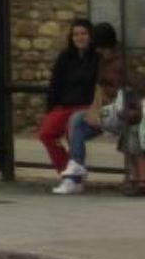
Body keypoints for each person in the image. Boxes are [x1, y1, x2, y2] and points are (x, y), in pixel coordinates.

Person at [54, 23, 129, 195]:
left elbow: (131, 88)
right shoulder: (103, 61)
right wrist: (94, 110)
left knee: (76, 121)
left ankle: (75, 173)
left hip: (123, 111)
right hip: (108, 111)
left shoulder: (121, 62)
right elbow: (99, 88)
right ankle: (75, 173)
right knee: (77, 120)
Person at [39, 19, 100, 175]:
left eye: (83, 34)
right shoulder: (65, 57)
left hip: (86, 106)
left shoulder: (97, 58)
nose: (79, 38)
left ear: (91, 36)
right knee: (46, 133)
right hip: (64, 105)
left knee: (72, 129)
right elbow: (55, 84)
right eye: (76, 34)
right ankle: (66, 169)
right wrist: (50, 110)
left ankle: (74, 177)